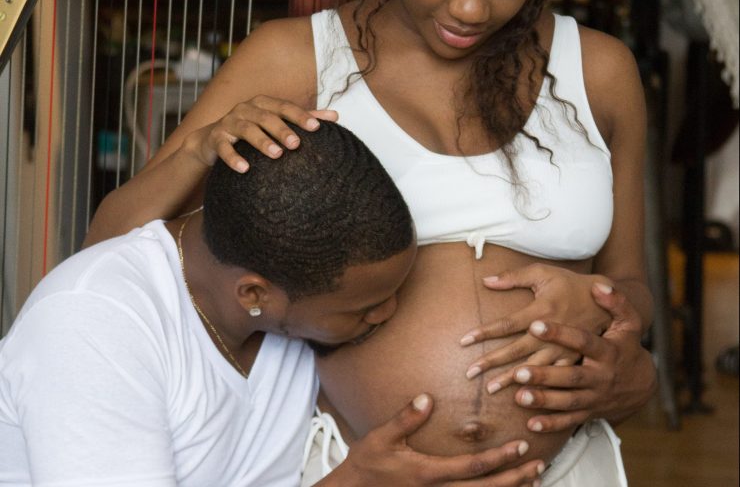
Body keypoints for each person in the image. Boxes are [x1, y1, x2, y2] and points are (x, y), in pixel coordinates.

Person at [85, 0, 658, 485]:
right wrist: (198, 150)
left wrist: (602, 303)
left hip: (566, 470)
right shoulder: (295, 58)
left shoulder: (600, 72)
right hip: (349, 466)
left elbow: (633, 287)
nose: (470, 8)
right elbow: (108, 251)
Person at [0, 122, 548, 487]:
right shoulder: (90, 326)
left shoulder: (279, 306)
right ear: (255, 294)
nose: (387, 314)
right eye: (365, 307)